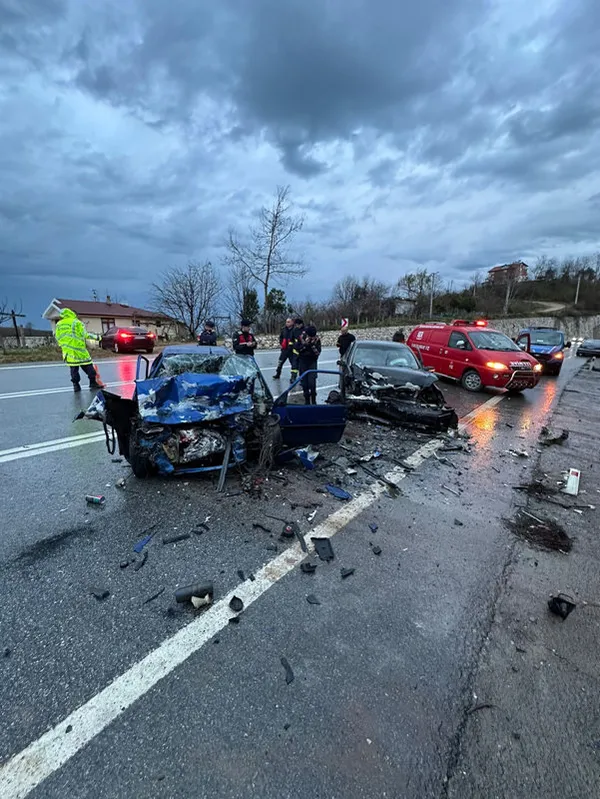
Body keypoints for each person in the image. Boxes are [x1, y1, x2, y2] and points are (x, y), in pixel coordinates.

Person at [54, 307, 104, 392]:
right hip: (80, 350)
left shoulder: (59, 324)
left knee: (74, 369)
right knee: (89, 368)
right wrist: (98, 337)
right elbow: (85, 335)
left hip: (68, 352)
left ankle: (76, 386)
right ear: (73, 314)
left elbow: (57, 337)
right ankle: (92, 383)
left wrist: (63, 346)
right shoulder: (77, 323)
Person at [297, 325, 321, 405]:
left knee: (312, 382)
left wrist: (312, 345)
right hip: (303, 362)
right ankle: (306, 400)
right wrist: (305, 345)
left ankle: (313, 399)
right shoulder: (301, 338)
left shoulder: (317, 340)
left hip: (312, 362)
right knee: (304, 383)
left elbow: (317, 352)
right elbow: (298, 349)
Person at [289, 317, 305, 384]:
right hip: (295, 350)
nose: (297, 326)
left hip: (303, 351)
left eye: (298, 325)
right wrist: (290, 347)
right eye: (296, 325)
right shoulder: (294, 330)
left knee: (302, 366)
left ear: (301, 324)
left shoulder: (305, 330)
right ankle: (293, 377)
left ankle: (302, 379)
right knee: (294, 366)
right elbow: (291, 340)